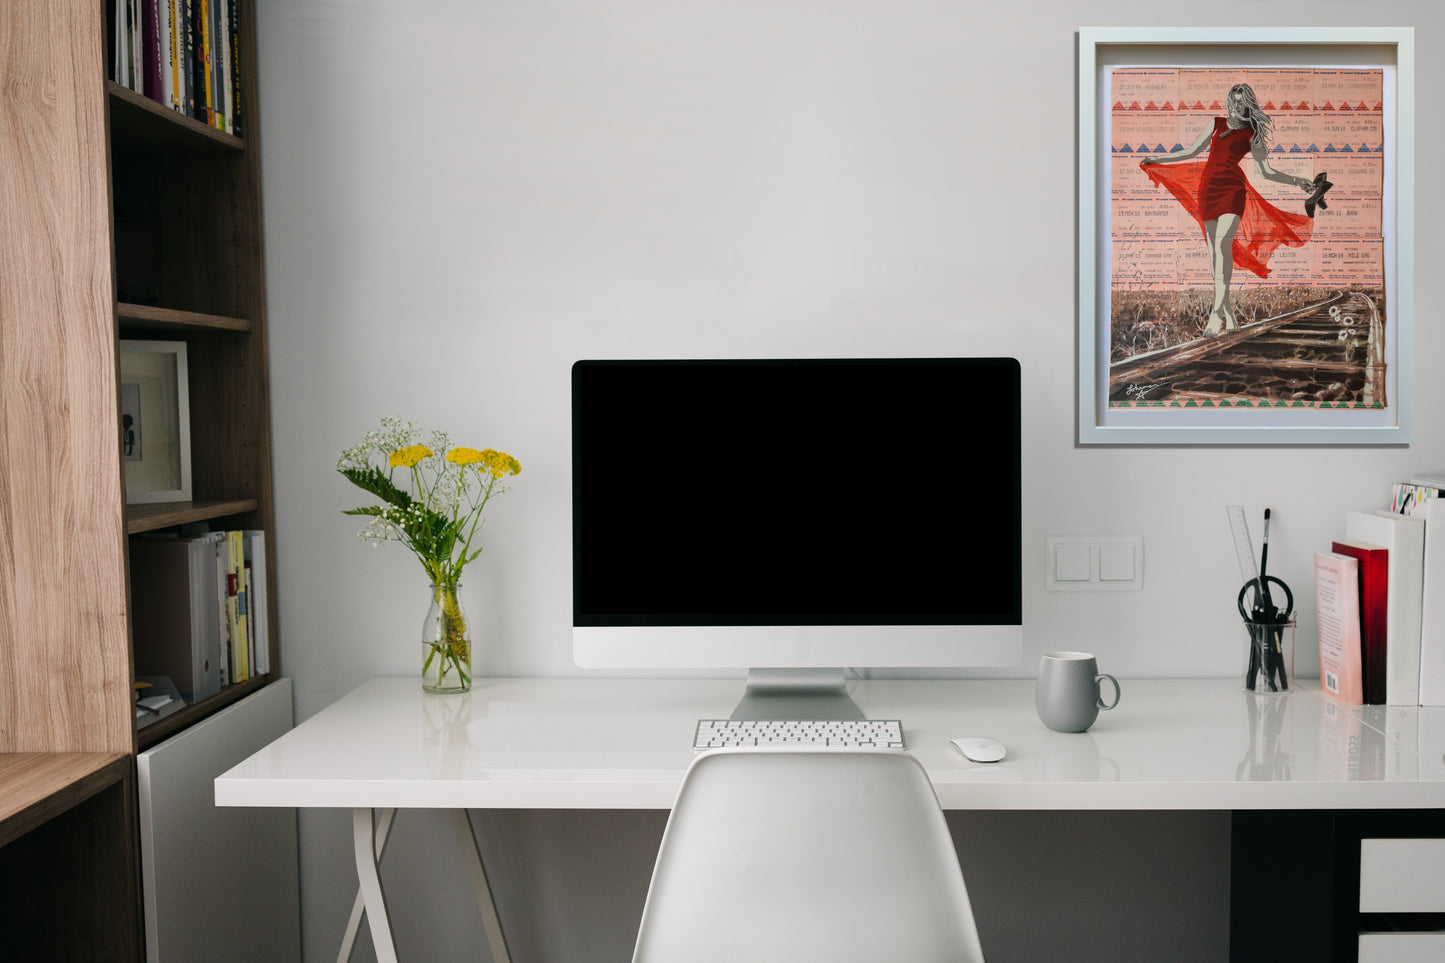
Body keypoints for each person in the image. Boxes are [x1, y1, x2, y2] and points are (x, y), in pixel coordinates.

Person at [1140, 84, 1316, 336]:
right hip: (1208, 189)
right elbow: (1191, 151)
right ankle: (1230, 314)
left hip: (1233, 190)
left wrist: (1297, 181)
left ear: (1248, 104)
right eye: (1233, 101)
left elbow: (1266, 172)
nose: (1236, 106)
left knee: (1223, 244)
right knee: (1214, 254)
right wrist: (1158, 159)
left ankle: (1216, 314)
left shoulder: (1252, 133)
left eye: (1241, 102)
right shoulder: (1216, 123)